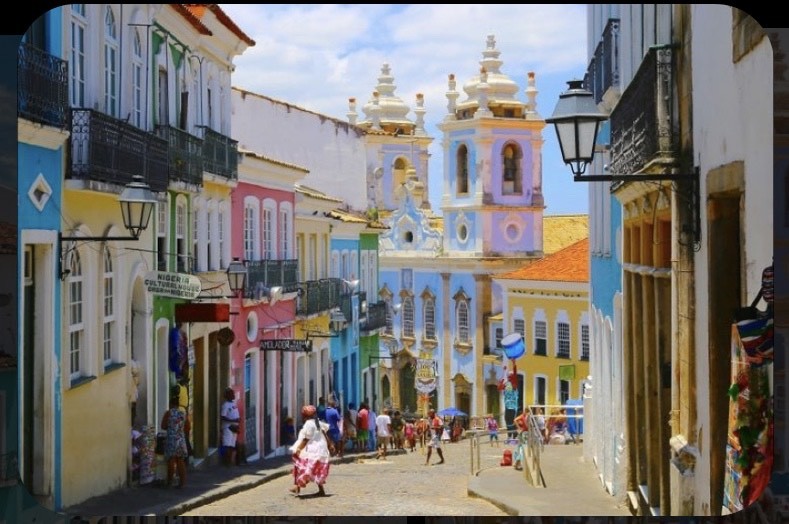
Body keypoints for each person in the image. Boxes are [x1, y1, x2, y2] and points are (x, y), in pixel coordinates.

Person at [289, 404, 331, 497]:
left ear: (304, 415)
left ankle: (297, 487)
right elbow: (325, 434)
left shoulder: (308, 424)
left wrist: (299, 448)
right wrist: (330, 444)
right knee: (317, 469)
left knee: (300, 466)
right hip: (321, 449)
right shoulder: (318, 422)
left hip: (312, 450)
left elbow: (306, 439)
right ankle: (320, 490)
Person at [160, 396, 190, 488]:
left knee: (171, 460)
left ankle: (170, 482)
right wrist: (180, 431)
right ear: (178, 405)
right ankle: (182, 483)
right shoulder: (183, 414)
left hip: (171, 439)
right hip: (181, 439)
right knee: (180, 461)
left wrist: (171, 428)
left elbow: (163, 426)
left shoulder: (168, 413)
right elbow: (188, 427)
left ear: (171, 404)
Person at [220, 387, 240, 466]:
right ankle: (226, 463)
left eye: (233, 393)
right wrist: (234, 421)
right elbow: (223, 417)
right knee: (227, 445)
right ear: (227, 395)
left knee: (232, 445)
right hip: (228, 427)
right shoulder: (225, 405)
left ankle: (230, 462)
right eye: (232, 394)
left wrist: (237, 420)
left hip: (234, 427)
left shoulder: (233, 404)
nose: (233, 395)